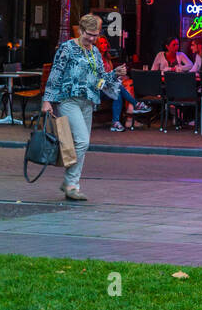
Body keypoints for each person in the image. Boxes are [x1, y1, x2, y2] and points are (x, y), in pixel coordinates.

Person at [41, 12, 124, 201]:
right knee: (82, 141)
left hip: (88, 102)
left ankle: (71, 184)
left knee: (82, 143)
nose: (92, 39)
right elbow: (55, 74)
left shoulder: (94, 52)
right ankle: (70, 181)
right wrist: (47, 100)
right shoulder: (67, 48)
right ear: (81, 29)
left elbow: (100, 79)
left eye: (96, 35)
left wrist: (116, 74)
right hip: (68, 99)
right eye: (89, 34)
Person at [97, 36, 151, 132]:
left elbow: (110, 76)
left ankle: (116, 123)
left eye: (105, 43)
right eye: (101, 43)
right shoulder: (96, 58)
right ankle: (136, 104)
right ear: (97, 45)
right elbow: (100, 78)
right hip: (98, 88)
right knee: (118, 87)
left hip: (108, 88)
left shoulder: (107, 58)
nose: (104, 45)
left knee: (118, 92)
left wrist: (118, 76)